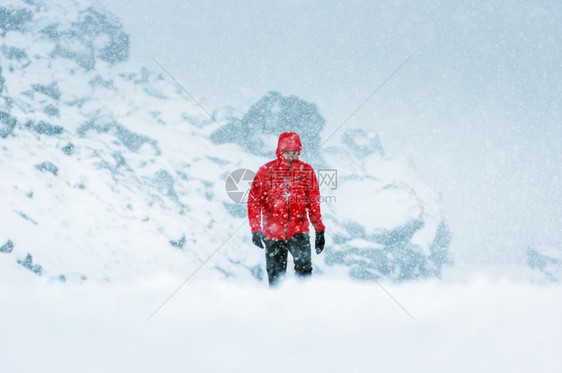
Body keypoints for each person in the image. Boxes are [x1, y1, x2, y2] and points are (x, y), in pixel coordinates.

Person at [248, 132, 326, 286]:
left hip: (299, 232)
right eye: (287, 152)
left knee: (304, 272)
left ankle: (303, 305)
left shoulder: (306, 171)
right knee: (276, 277)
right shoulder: (266, 170)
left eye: (295, 152)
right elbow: (254, 201)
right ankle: (278, 307)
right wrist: (255, 229)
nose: (291, 156)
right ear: (280, 151)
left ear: (299, 152)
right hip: (273, 234)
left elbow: (313, 203)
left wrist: (319, 230)